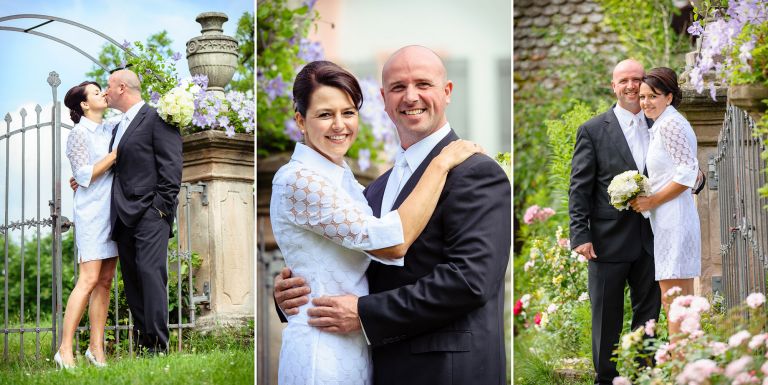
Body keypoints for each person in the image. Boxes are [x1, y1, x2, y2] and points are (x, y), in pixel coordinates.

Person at [274, 45, 511, 385]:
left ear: (447, 92)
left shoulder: (476, 172)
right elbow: (358, 265)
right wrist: (294, 292)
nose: (411, 96)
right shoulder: (374, 189)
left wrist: (364, 314)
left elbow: (469, 281)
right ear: (384, 99)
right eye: (399, 87)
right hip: (377, 367)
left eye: (423, 84)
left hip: (446, 372)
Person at [568, 59, 662, 384]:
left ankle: (644, 375)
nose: (631, 86)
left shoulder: (660, 124)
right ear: (613, 86)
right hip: (607, 240)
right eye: (624, 80)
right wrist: (580, 234)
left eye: (637, 79)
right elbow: (579, 187)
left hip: (653, 237)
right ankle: (606, 379)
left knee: (649, 315)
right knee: (606, 316)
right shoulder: (593, 130)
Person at [104, 69, 183, 354]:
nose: (105, 91)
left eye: (108, 86)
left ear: (122, 88)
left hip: (151, 213)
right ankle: (144, 345)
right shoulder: (117, 128)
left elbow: (171, 168)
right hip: (122, 215)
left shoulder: (157, 118)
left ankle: (159, 345)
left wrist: (159, 210)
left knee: (151, 275)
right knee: (133, 281)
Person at [629, 67, 701, 338]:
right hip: (669, 218)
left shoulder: (670, 124)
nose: (646, 102)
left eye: (653, 96)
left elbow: (688, 173)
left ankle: (679, 356)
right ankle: (688, 357)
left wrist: (651, 201)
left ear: (669, 97)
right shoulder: (663, 123)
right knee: (680, 300)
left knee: (674, 300)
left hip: (674, 218)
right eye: (643, 97)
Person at [55, 81, 119, 369]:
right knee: (89, 279)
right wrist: (115, 156)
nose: (102, 93)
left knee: (105, 281)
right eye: (95, 92)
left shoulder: (111, 128)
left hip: (113, 211)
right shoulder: (78, 134)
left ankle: (96, 349)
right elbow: (83, 175)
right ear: (83, 104)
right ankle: (64, 349)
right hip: (92, 212)